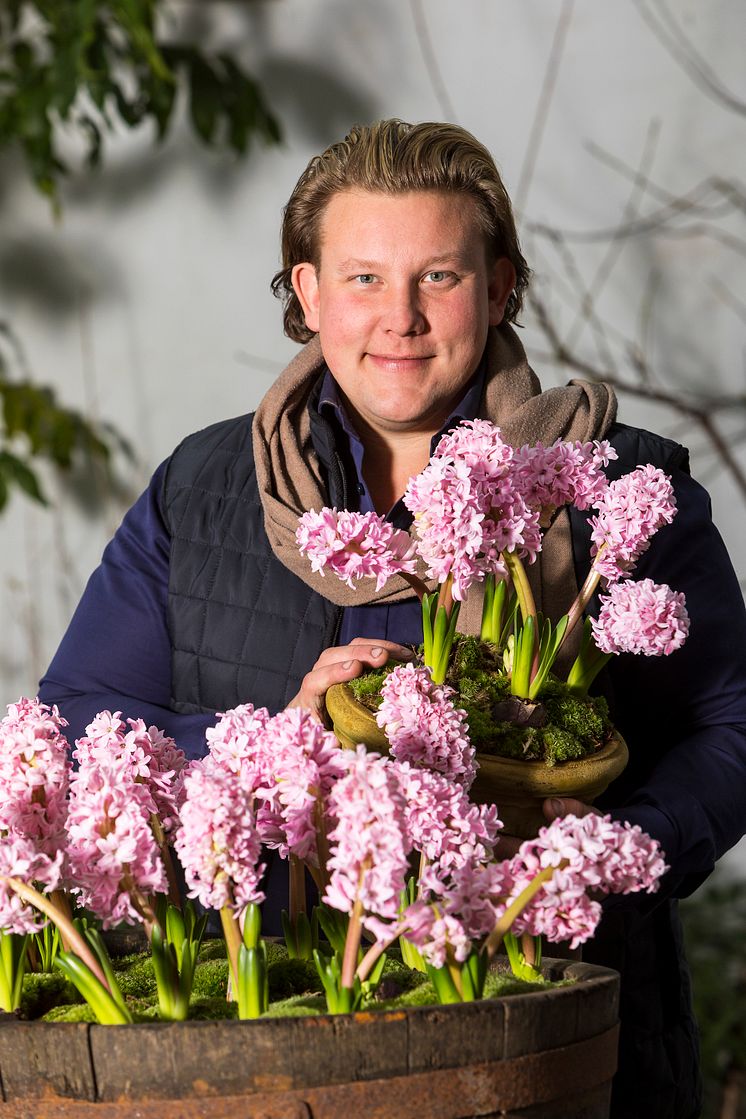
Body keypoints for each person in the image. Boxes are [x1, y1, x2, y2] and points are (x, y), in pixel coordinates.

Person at [39, 119, 746, 1119]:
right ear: (308, 292)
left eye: (438, 279)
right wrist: (275, 743)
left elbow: (732, 725)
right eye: (363, 278)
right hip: (264, 1049)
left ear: (499, 287)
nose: (399, 318)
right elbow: (77, 714)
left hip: (548, 1040)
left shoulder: (611, 485)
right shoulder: (202, 489)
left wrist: (609, 847)